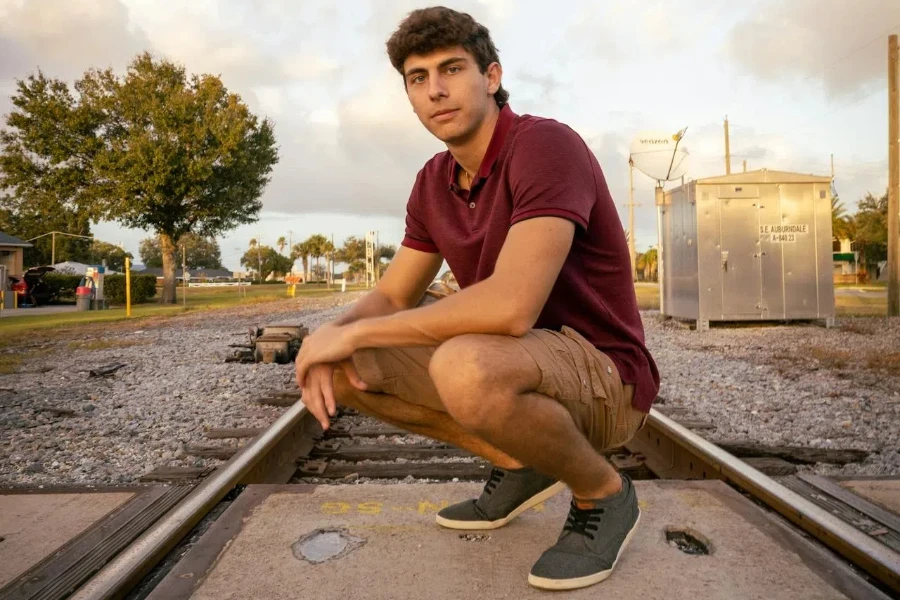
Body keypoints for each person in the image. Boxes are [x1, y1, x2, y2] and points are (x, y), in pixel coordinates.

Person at [295, 5, 660, 591]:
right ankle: (522, 462)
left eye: (452, 69)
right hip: (524, 365)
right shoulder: (432, 180)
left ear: (490, 77)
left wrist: (356, 331)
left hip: (602, 373)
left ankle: (603, 494)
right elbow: (393, 293)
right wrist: (327, 340)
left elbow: (511, 307)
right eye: (418, 78)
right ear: (410, 96)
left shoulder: (544, 146)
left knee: (463, 364)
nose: (436, 90)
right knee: (339, 367)